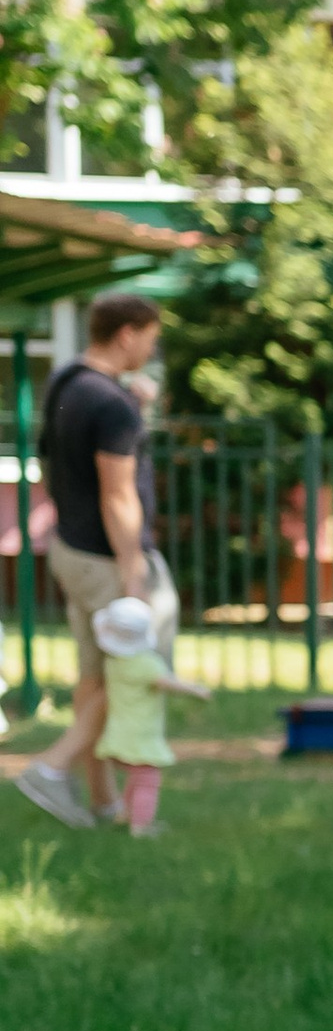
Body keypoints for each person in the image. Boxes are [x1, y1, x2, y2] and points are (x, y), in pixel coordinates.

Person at [18, 290, 171, 832]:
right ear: (127, 334)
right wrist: (134, 572)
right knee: (132, 676)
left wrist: (137, 408)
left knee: (95, 677)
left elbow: (58, 461)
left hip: (72, 548)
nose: (151, 351)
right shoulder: (111, 404)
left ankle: (104, 801)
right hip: (109, 559)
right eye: (150, 339)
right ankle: (52, 768)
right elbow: (118, 495)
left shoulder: (67, 383)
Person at [90, 593, 210, 833]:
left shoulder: (112, 662)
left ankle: (125, 816)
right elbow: (166, 682)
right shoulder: (146, 664)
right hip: (140, 736)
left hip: (119, 733)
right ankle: (141, 826)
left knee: (138, 777)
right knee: (148, 779)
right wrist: (196, 690)